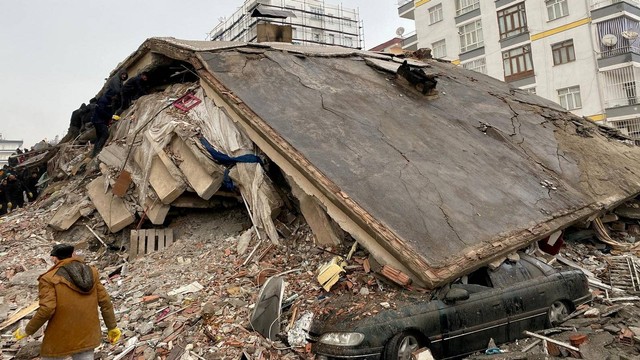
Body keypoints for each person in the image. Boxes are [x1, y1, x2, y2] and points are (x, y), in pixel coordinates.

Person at [13, 244, 121, 359]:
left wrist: (27, 330)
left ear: (54, 258)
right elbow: (105, 302)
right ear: (72, 254)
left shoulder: (49, 278)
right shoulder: (92, 272)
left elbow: (47, 309)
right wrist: (112, 327)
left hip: (60, 336)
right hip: (87, 333)